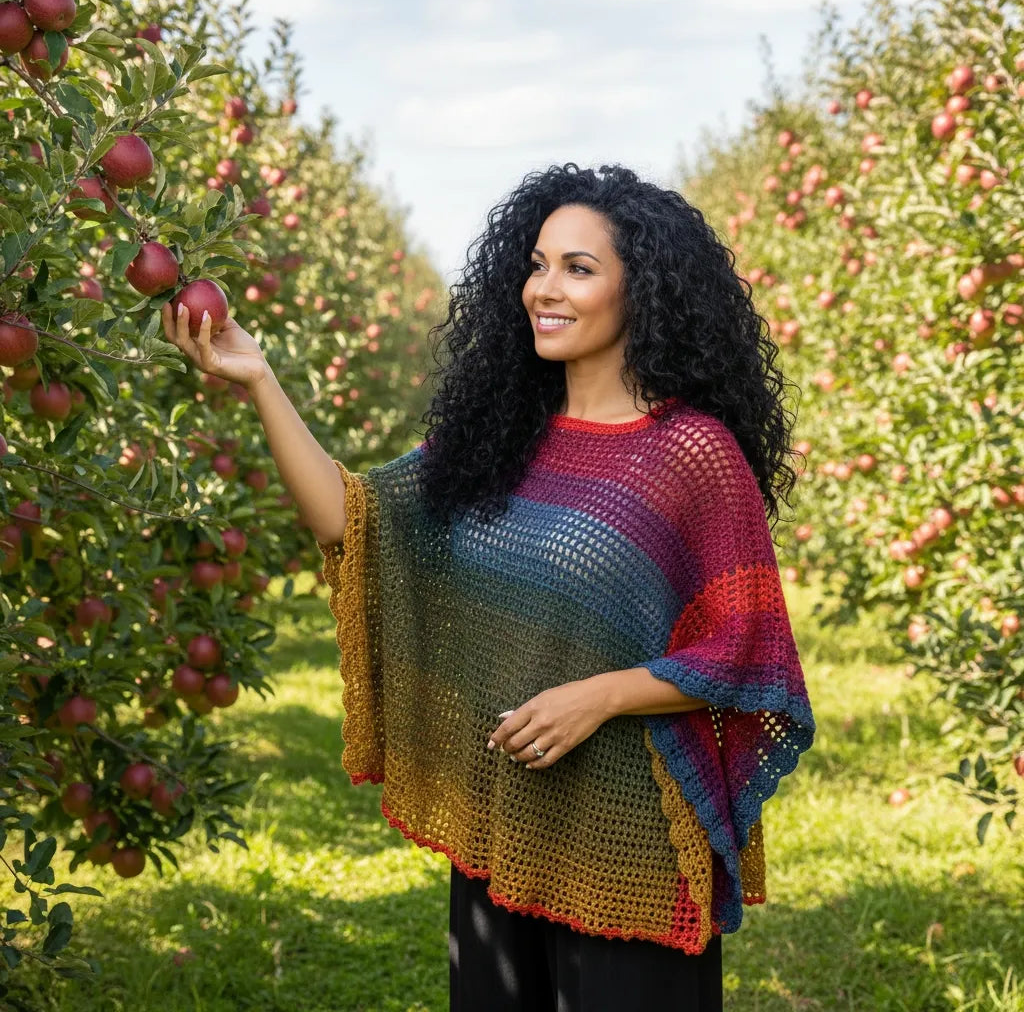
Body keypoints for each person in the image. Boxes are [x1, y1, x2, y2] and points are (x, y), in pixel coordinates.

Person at [163, 161, 816, 1012]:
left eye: (579, 269)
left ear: (643, 292)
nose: (546, 287)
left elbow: (747, 651)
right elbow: (351, 522)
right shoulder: (501, 436)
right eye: (538, 264)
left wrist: (603, 696)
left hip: (626, 845)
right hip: (499, 828)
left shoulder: (690, 455)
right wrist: (260, 381)